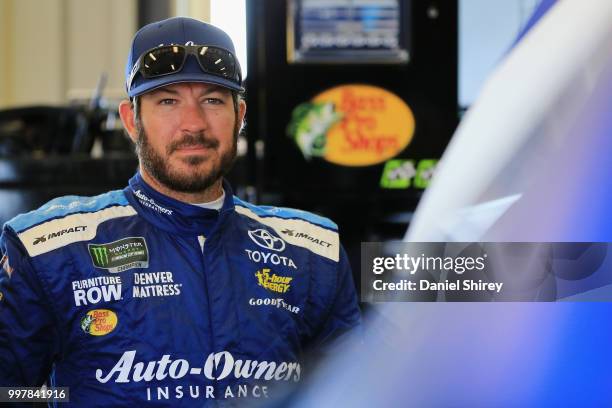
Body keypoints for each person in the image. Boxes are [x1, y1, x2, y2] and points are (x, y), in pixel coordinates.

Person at [0, 17, 361, 406]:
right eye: (168, 101)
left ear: (239, 116)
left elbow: (357, 394)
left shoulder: (313, 252)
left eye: (212, 100)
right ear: (131, 121)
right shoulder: (47, 250)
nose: (193, 124)